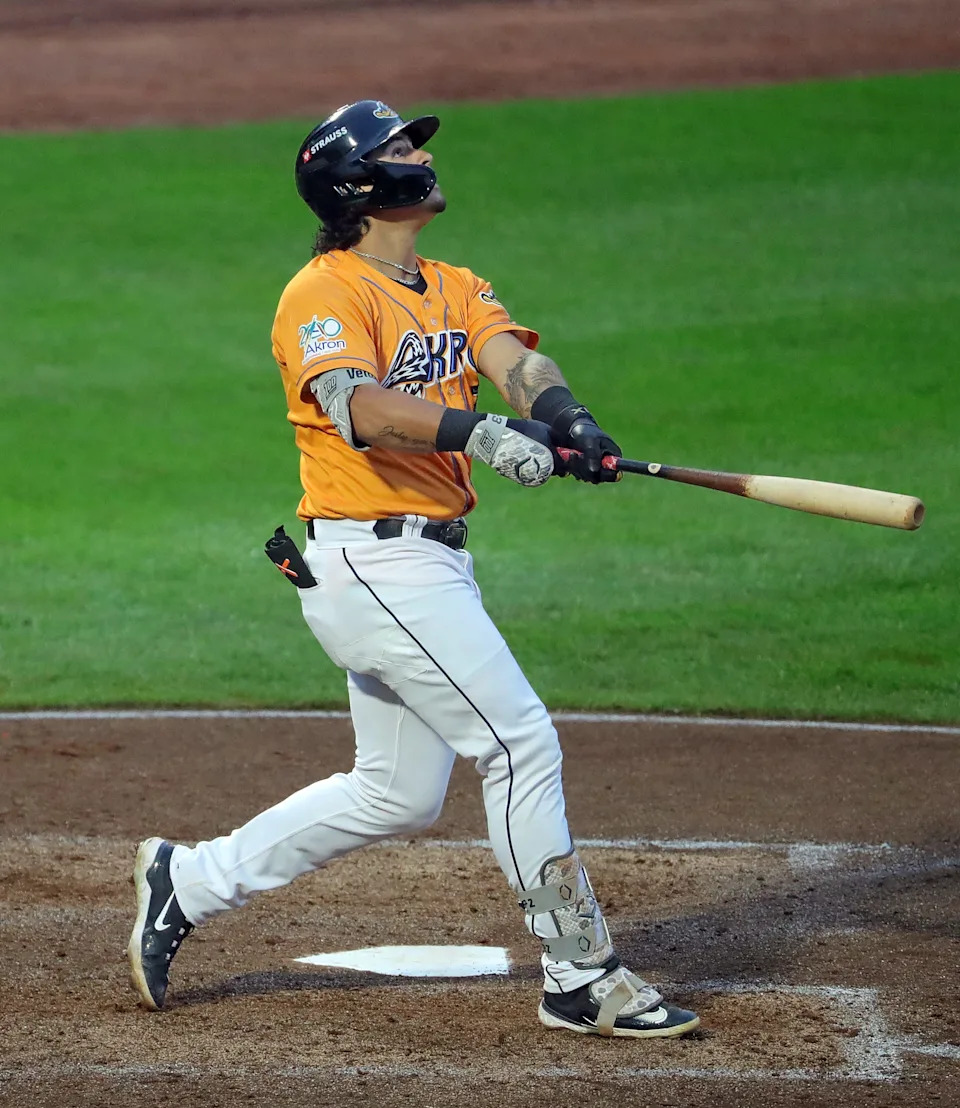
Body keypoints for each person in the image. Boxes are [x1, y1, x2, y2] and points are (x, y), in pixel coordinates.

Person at [127, 99, 700, 1039]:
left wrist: (570, 423)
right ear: (355, 182)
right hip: (372, 563)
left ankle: (186, 881)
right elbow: (358, 408)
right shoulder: (323, 292)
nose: (416, 158)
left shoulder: (450, 283)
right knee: (518, 743)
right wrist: (478, 431)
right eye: (396, 148)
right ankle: (580, 975)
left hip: (426, 567)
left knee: (396, 792)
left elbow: (514, 362)